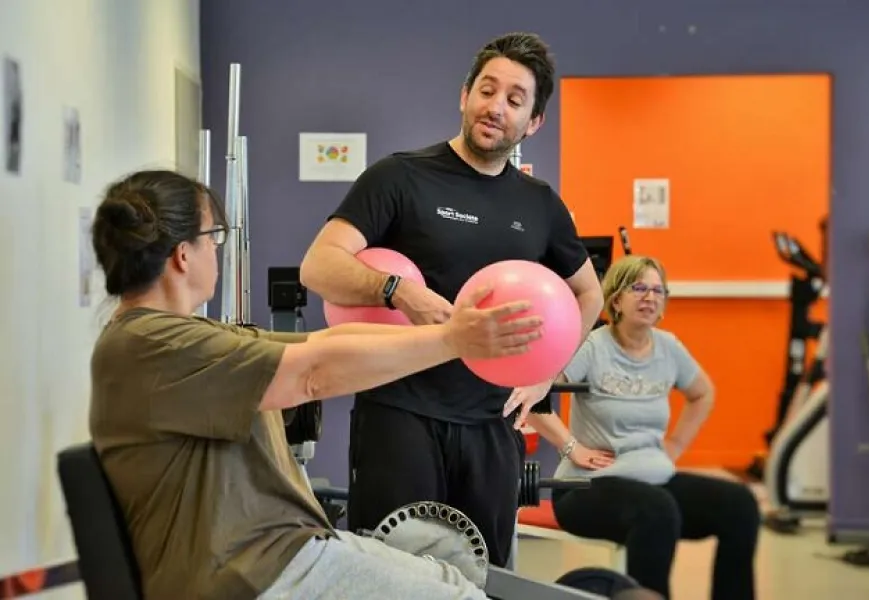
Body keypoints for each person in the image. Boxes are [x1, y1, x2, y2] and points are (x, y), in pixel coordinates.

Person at [88, 169, 550, 600]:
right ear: (182, 255)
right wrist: (453, 341)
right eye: (214, 238)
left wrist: (442, 330)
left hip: (274, 548)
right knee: (464, 597)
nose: (218, 251)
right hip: (245, 572)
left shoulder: (179, 334)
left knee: (455, 576)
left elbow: (324, 342)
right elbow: (312, 374)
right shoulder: (152, 344)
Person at [299, 31, 605, 568]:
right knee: (395, 573)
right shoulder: (399, 177)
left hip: (492, 422)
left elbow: (588, 294)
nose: (496, 107)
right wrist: (395, 289)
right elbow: (319, 265)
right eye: (487, 90)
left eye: (515, 99)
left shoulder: (539, 205)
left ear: (532, 123)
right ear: (464, 95)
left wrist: (542, 376)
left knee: (482, 575)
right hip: (400, 411)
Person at [527, 255, 761, 600]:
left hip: (653, 482)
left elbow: (703, 393)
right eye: (639, 288)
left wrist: (676, 445)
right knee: (656, 509)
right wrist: (571, 447)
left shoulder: (668, 348)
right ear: (616, 299)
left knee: (739, 503)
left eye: (657, 290)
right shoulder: (593, 346)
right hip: (585, 488)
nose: (650, 297)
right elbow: (533, 397)